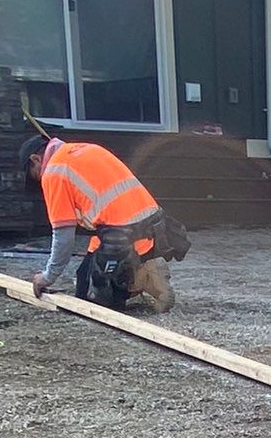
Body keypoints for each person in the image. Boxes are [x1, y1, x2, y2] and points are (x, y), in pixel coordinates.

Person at [26, 133, 185, 314]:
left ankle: (142, 277)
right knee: (83, 280)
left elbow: (63, 238)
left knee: (94, 302)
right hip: (153, 224)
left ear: (36, 159)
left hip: (120, 234)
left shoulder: (53, 173)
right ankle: (142, 267)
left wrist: (47, 277)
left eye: (34, 175)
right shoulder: (87, 149)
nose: (38, 180)